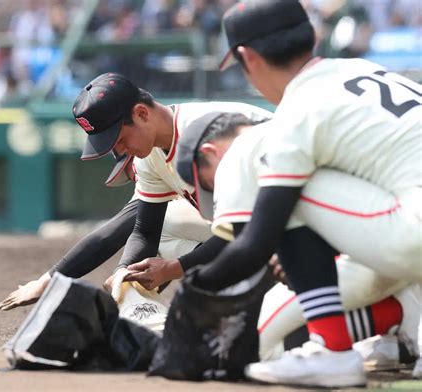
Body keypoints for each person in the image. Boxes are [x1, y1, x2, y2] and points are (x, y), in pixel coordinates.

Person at [178, 0, 420, 386]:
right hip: (404, 224)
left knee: (287, 185)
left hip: (413, 234)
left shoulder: (299, 108)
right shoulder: (363, 68)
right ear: (312, 35)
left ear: (248, 56)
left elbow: (256, 243)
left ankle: (333, 349)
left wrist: (195, 288)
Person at [174, 111, 419, 373]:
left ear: (211, 152)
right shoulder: (306, 123)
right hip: (398, 243)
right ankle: (401, 331)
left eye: (207, 180)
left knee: (257, 347)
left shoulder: (245, 151)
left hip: (383, 252)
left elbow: (249, 248)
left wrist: (194, 293)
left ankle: (397, 318)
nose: (213, 187)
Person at [71, 72, 271, 292]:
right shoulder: (150, 154)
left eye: (119, 140)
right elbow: (145, 231)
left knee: (255, 321)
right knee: (166, 225)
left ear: (141, 113)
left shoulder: (216, 132)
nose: (120, 151)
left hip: (293, 236)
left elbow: (243, 229)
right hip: (261, 234)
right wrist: (123, 272)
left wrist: (175, 268)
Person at [0, 152, 210, 313]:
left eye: (127, 172)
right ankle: (225, 292)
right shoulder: (159, 162)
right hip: (234, 238)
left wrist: (45, 282)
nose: (133, 180)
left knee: (161, 223)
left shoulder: (154, 159)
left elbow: (110, 236)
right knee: (162, 237)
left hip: (237, 232)